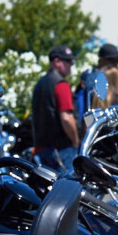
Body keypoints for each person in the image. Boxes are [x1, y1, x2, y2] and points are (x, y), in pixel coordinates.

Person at [30, 45, 79, 173]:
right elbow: (66, 118)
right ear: (57, 62)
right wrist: (75, 141)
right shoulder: (60, 84)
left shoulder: (40, 83)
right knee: (68, 188)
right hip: (60, 150)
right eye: (68, 61)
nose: (71, 65)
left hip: (42, 149)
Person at [75, 43, 118, 128]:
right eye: (111, 60)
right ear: (101, 60)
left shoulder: (116, 76)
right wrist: (89, 129)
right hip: (98, 127)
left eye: (117, 60)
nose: (115, 64)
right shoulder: (93, 78)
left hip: (114, 126)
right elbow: (87, 109)